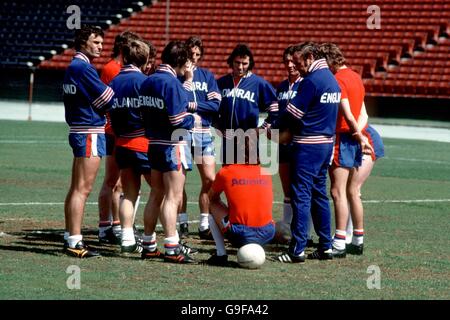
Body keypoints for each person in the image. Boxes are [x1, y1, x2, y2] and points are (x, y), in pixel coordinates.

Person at [272, 42, 340, 263]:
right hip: (326, 144)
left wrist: (269, 128)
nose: (297, 68)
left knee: (301, 195)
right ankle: (325, 246)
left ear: (310, 57)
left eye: (299, 62)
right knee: (319, 194)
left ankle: (297, 249)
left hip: (308, 145)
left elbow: (291, 115)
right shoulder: (331, 79)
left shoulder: (311, 81)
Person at [138, 41, 202, 263]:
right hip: (173, 145)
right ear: (182, 62)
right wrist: (193, 119)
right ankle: (172, 247)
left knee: (155, 194)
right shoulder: (171, 83)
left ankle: (148, 244)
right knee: (172, 197)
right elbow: (177, 119)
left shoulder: (148, 81)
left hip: (153, 144)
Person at [62, 25, 114, 258]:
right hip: (89, 131)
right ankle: (75, 241)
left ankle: (70, 236)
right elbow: (108, 98)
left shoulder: (73, 67)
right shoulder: (84, 68)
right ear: (83, 42)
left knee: (76, 187)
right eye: (96, 42)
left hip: (79, 129)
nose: (101, 47)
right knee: (83, 189)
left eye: (102, 43)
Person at [319, 43, 374, 258]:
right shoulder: (355, 76)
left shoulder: (338, 80)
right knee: (352, 192)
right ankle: (358, 238)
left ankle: (340, 240)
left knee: (337, 191)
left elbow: (348, 113)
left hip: (342, 137)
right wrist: (359, 134)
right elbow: (362, 112)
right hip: (351, 138)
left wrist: (356, 135)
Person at [108, 39, 158, 256]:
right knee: (159, 192)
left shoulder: (115, 81)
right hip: (143, 143)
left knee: (129, 194)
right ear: (145, 60)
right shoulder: (144, 82)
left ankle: (127, 238)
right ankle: (150, 240)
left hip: (122, 144)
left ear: (126, 58)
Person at [97, 31, 141, 245]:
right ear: (125, 48)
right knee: (112, 181)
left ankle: (115, 224)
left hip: (118, 132)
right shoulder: (112, 69)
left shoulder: (116, 69)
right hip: (114, 132)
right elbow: (107, 101)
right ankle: (106, 226)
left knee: (120, 184)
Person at [177, 36, 221, 240]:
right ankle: (182, 221)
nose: (194, 58)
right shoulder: (177, 76)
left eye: (197, 54)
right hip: (182, 133)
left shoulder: (207, 76)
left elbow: (215, 105)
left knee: (210, 180)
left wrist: (194, 106)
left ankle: (205, 222)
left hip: (203, 134)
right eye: (190, 54)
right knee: (178, 182)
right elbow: (176, 103)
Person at [206, 139, 275, 266]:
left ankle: (221, 254)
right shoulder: (266, 172)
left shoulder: (226, 171)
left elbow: (211, 198)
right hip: (268, 232)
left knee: (211, 203)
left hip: (240, 234)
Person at [275, 45, 314, 246]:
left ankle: (304, 233)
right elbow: (277, 115)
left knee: (301, 190)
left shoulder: (306, 84)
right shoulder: (281, 87)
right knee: (287, 191)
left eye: (293, 61)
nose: (290, 65)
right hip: (282, 144)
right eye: (286, 62)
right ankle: (287, 230)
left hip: (300, 143)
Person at [216, 43, 278, 165]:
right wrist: (218, 126)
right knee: (229, 176)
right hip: (228, 138)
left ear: (250, 64)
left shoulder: (259, 83)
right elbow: (212, 107)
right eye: (237, 62)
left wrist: (261, 129)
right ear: (231, 62)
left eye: (244, 63)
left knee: (249, 177)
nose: (240, 67)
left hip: (249, 139)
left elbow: (275, 109)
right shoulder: (222, 83)